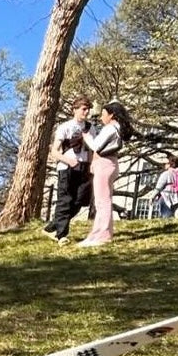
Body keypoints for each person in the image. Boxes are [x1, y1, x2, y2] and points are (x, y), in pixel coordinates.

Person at [79, 100, 134, 247]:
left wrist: (87, 137)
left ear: (111, 115)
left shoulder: (110, 129)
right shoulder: (117, 129)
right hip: (110, 164)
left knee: (102, 201)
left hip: (104, 165)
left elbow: (96, 146)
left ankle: (102, 234)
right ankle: (98, 233)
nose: (102, 117)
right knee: (104, 200)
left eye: (104, 114)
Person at [44, 96, 93, 242]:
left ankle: (52, 226)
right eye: (84, 109)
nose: (86, 112)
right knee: (65, 199)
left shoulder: (91, 128)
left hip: (84, 167)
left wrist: (91, 166)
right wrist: (68, 161)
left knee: (80, 200)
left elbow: (92, 149)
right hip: (66, 166)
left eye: (88, 109)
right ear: (75, 110)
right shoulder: (65, 127)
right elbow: (54, 151)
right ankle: (61, 235)